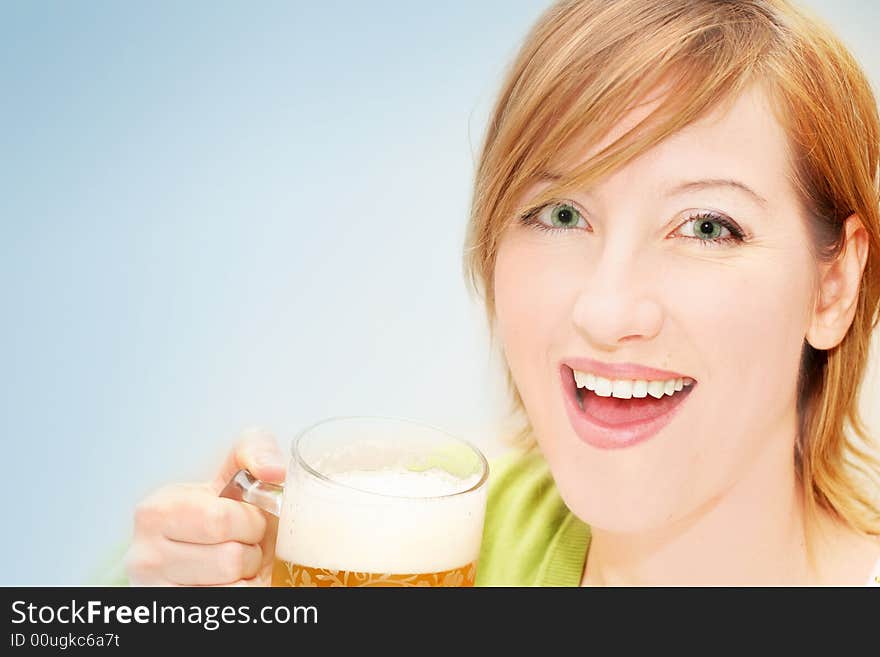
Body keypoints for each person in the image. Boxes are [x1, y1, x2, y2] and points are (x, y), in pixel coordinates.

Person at [119, 0, 880, 586]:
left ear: (834, 283)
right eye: (561, 214)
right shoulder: (412, 544)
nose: (606, 309)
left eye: (708, 227)